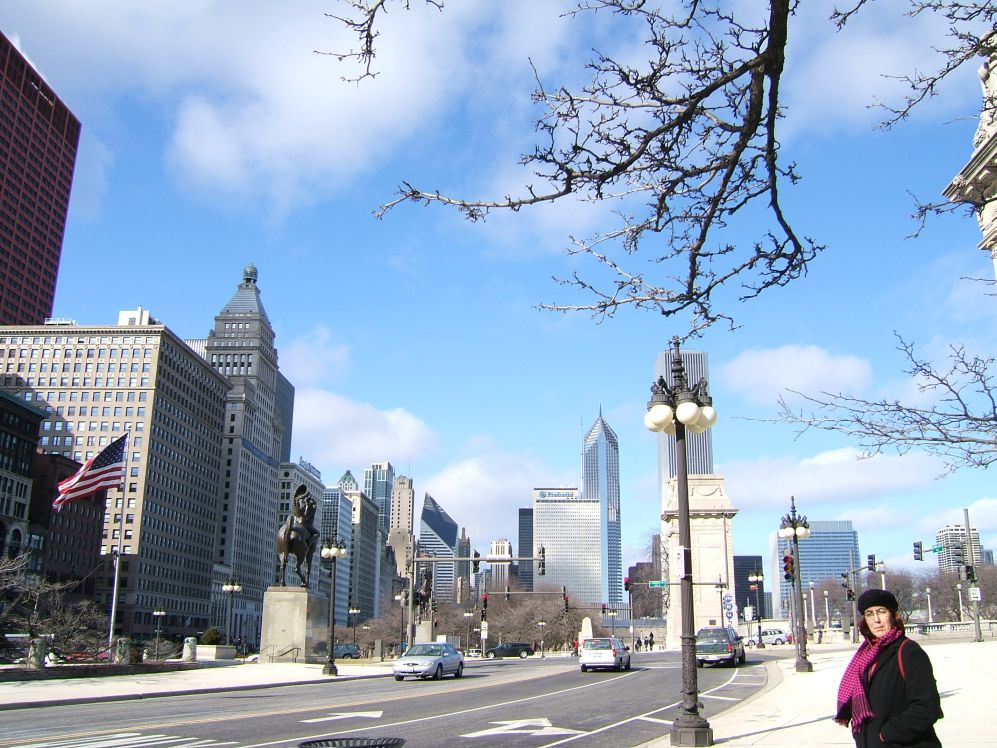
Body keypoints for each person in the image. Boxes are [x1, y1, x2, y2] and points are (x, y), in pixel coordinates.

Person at [835, 589, 942, 747]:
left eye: (881, 612)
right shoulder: (865, 655)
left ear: (892, 615)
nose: (876, 620)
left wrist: (887, 735)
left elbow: (927, 707)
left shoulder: (908, 651)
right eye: (869, 614)